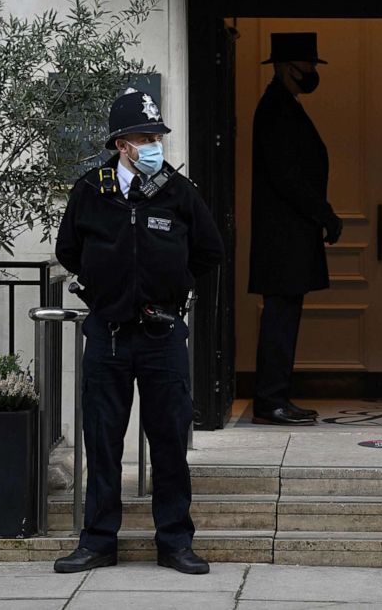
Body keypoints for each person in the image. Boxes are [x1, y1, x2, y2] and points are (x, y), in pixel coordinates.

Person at [53, 89, 224, 574]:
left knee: (169, 441)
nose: (155, 145)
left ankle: (174, 541)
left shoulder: (177, 190)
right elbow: (69, 249)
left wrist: (173, 288)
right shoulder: (91, 190)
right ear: (121, 143)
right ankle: (98, 541)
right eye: (146, 137)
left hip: (162, 335)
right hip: (107, 334)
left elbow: (209, 251)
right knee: (102, 442)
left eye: (157, 136)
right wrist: (105, 290)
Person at [247, 32, 343, 426]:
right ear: (288, 68)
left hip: (287, 236)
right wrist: (325, 213)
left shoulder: (283, 105)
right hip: (282, 237)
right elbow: (288, 177)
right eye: (308, 67)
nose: (311, 74)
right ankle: (271, 400)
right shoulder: (276, 109)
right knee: (280, 320)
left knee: (284, 318)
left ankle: (276, 396)